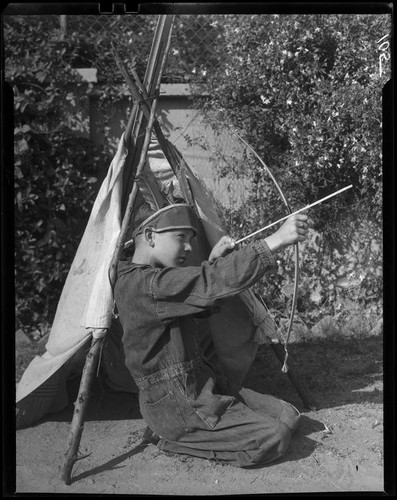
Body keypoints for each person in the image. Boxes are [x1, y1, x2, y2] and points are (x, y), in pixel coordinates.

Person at [114, 202, 309, 467]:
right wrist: (276, 240)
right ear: (149, 236)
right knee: (274, 437)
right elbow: (204, 285)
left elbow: (193, 296)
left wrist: (215, 262)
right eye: (180, 238)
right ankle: (171, 438)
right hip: (178, 406)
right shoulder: (141, 284)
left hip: (203, 390)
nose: (188, 248)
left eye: (191, 240)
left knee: (289, 416)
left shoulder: (154, 280)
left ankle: (203, 429)